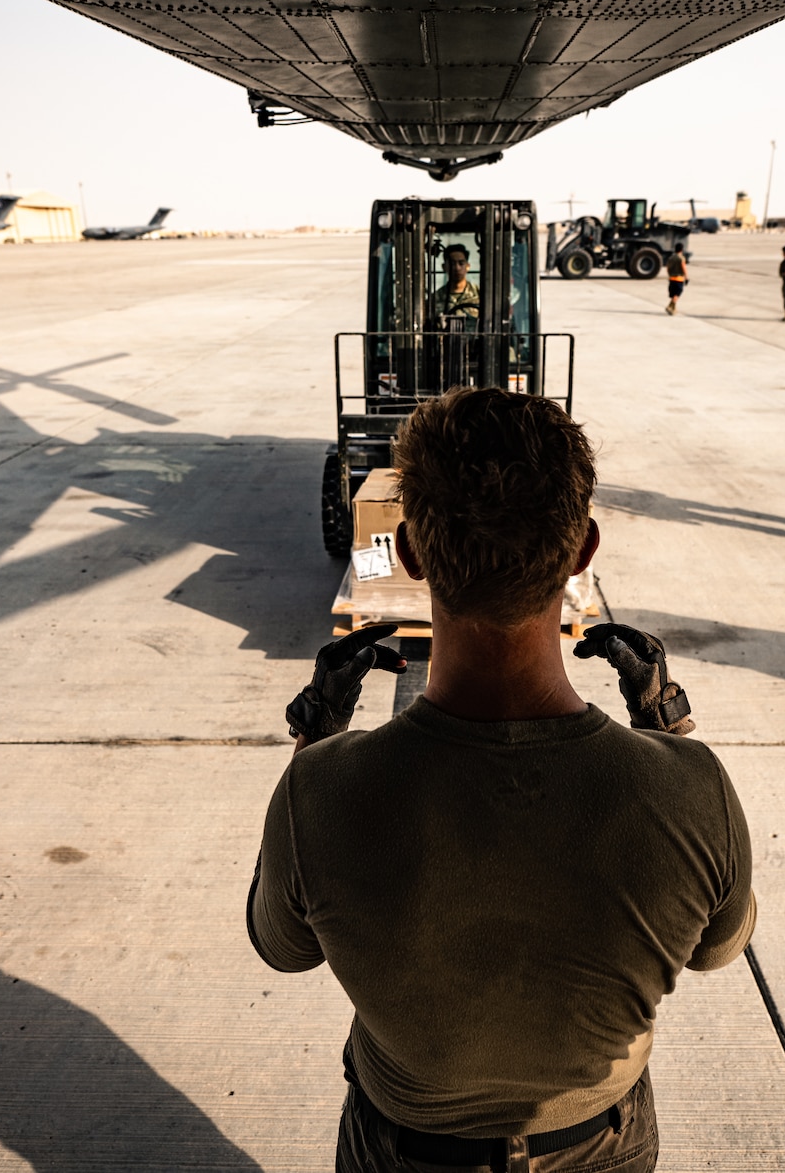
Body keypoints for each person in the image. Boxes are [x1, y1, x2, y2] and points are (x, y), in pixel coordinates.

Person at [250, 387, 756, 1173]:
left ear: (414, 552)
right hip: (599, 1144)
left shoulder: (320, 794)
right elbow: (720, 947)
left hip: (405, 1149)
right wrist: (666, 728)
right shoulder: (690, 792)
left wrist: (317, 737)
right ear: (583, 548)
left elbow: (282, 947)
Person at [439, 243, 480, 322]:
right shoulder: (434, 299)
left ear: (468, 266)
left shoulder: (479, 295)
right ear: (444, 267)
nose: (457, 268)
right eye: (452, 263)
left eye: (461, 263)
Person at [664, 243, 688, 315]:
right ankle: (669, 306)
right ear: (682, 249)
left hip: (672, 278)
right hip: (679, 279)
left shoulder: (671, 258)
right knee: (677, 294)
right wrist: (686, 277)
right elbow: (683, 268)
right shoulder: (681, 258)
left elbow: (668, 268)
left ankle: (673, 308)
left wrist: (669, 275)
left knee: (673, 294)